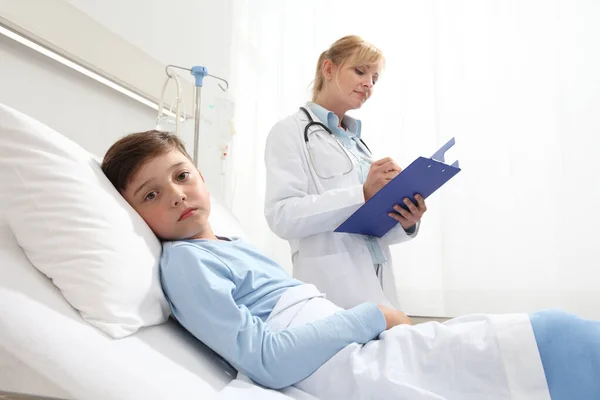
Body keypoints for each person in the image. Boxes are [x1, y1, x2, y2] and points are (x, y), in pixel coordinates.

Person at [102, 130, 600, 400]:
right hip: (338, 351)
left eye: (182, 175)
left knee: (547, 336)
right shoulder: (186, 262)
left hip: (349, 327)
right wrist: (373, 316)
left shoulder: (227, 243)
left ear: (202, 176)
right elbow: (268, 359)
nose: (176, 195)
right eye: (151, 194)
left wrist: (399, 217)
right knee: (549, 340)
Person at [263, 35, 426, 310]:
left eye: (375, 78)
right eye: (360, 71)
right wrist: (362, 193)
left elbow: (370, 227)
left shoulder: (357, 144)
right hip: (332, 285)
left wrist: (406, 219)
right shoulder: (289, 132)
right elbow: (282, 216)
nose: (368, 84)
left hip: (377, 281)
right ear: (328, 69)